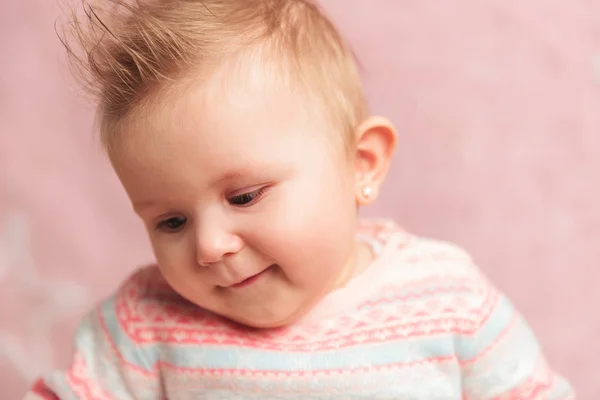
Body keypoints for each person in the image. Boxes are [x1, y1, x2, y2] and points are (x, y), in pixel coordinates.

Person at [26, 0, 574, 398]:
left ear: (361, 163)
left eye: (243, 196)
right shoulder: (145, 323)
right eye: (171, 221)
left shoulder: (445, 300)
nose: (210, 245)